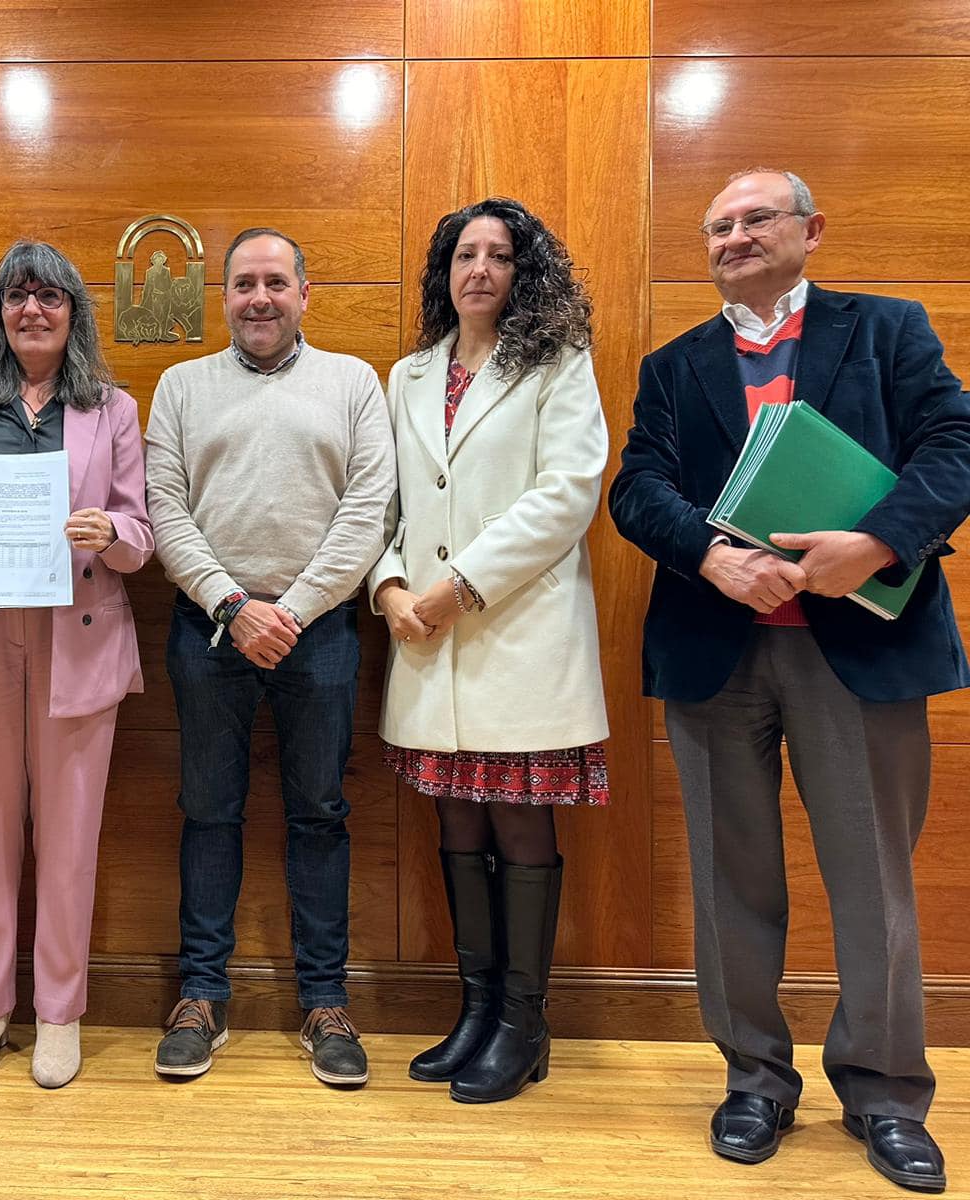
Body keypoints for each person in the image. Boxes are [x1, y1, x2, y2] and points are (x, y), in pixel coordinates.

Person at [609, 167, 970, 1193]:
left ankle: (886, 1092)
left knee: (872, 881)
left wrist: (877, 542)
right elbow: (638, 486)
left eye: (754, 218)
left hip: (856, 648)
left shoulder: (888, 330)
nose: (732, 237)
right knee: (732, 884)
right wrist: (707, 555)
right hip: (715, 650)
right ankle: (754, 1081)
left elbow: (955, 444)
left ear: (810, 229)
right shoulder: (674, 364)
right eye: (715, 225)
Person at [371, 198, 609, 1104]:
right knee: (457, 822)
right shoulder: (410, 374)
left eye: (498, 256)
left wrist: (458, 586)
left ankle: (523, 1021)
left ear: (524, 272)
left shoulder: (557, 363)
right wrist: (390, 587)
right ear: (446, 272)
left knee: (517, 823)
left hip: (517, 630)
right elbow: (388, 504)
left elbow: (568, 492)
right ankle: (474, 1010)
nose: (479, 269)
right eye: (464, 255)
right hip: (427, 637)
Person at [145, 227, 395, 1086]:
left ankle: (325, 1001)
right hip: (207, 628)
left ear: (304, 291)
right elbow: (163, 507)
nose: (260, 297)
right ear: (224, 295)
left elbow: (369, 510)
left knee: (318, 812)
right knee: (207, 809)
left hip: (317, 631)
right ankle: (202, 995)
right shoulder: (181, 386)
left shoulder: (354, 382)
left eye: (275, 282)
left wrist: (286, 611)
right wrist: (231, 604)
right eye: (244, 283)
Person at [0, 241, 152, 1089]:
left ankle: (59, 1014)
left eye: (50, 297)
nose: (32, 311)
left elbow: (140, 532)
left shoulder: (112, 408)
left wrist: (109, 534)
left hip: (75, 633)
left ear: (74, 312)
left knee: (70, 836)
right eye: (17, 296)